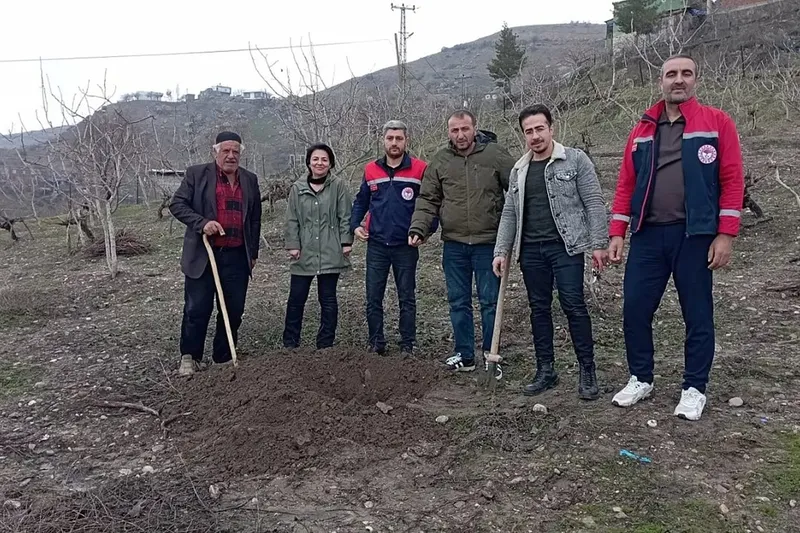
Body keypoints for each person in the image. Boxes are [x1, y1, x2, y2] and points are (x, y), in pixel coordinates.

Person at [607, 54, 745, 421]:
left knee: (697, 314)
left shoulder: (717, 123)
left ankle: (694, 387)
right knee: (635, 309)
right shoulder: (642, 128)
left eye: (686, 73)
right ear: (661, 81)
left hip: (695, 236)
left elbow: (732, 180)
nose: (678, 80)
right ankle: (641, 378)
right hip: (648, 235)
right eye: (671, 74)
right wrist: (617, 231)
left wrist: (725, 234)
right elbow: (626, 183)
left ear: (695, 80)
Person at [492, 104, 609, 400]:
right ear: (523, 135)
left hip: (566, 247)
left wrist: (599, 244)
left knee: (573, 305)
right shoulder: (519, 170)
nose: (535, 136)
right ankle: (546, 370)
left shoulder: (575, 160)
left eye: (539, 128)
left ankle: (587, 370)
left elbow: (594, 202)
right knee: (539, 309)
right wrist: (501, 250)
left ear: (551, 128)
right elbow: (510, 213)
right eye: (528, 131)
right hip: (531, 250)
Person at [408, 109, 516, 372]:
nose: (460, 135)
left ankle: (491, 356)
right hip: (454, 244)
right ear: (449, 132)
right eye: (455, 130)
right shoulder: (441, 161)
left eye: (465, 129)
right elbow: (428, 199)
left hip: (488, 244)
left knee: (490, 302)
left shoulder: (495, 155)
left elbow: (515, 191)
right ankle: (465, 355)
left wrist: (514, 232)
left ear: (474, 128)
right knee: (458, 302)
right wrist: (419, 228)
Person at [170, 131, 262, 375]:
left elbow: (255, 219)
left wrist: (253, 253)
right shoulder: (197, 174)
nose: (231, 156)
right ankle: (190, 356)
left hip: (237, 256)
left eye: (235, 151)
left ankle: (223, 357)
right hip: (205, 254)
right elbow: (177, 204)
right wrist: (202, 223)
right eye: (226, 151)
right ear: (215, 152)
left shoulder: (250, 180)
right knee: (196, 309)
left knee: (233, 309)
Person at [350, 120, 436, 355]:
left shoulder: (420, 168)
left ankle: (407, 344)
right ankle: (376, 343)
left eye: (399, 138)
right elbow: (361, 201)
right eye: (390, 138)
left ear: (406, 140)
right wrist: (354, 225)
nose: (394, 143)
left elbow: (431, 203)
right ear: (383, 141)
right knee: (373, 297)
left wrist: (426, 230)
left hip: (405, 245)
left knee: (406, 297)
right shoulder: (370, 169)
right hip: (376, 244)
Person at [282, 143, 353, 349]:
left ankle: (325, 345)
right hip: (304, 251)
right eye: (315, 159)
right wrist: (293, 244)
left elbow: (345, 215)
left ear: (330, 163)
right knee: (296, 299)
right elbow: (291, 219)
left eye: (324, 159)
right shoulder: (297, 188)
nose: (319, 163)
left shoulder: (338, 186)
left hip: (331, 250)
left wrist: (346, 242)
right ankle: (290, 344)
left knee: (328, 299)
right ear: (309, 162)